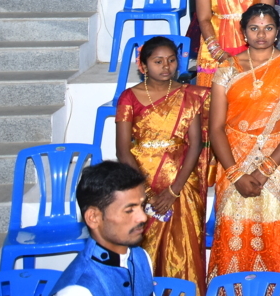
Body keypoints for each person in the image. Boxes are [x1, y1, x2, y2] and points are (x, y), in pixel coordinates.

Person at [208, 4, 280, 280]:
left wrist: (265, 168)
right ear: (243, 32)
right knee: (234, 232)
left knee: (276, 231)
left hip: (279, 162)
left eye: (268, 28)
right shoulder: (227, 70)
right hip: (234, 160)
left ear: (277, 32)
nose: (261, 34)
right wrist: (235, 173)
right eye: (254, 28)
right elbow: (216, 128)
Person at [115, 38, 208, 287]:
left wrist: (173, 190)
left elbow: (195, 144)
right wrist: (145, 192)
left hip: (181, 181)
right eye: (158, 61)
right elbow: (123, 151)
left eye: (171, 60)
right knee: (144, 248)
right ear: (143, 65)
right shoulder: (129, 97)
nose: (166, 66)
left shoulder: (189, 95)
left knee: (184, 248)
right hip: (140, 180)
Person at [50, 161, 152, 296]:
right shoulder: (78, 291)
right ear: (93, 217)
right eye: (129, 210)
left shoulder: (141, 257)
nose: (143, 217)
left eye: (142, 205)